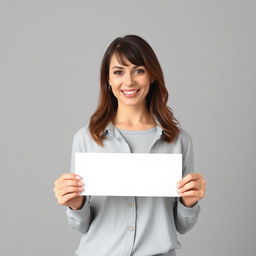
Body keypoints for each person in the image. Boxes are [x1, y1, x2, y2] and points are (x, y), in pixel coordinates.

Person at [53, 34, 206, 256]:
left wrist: (188, 203)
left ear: (152, 76)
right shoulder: (86, 138)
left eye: (138, 70)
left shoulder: (179, 140)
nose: (129, 81)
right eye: (118, 72)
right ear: (108, 79)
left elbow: (182, 226)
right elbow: (81, 225)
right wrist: (76, 204)